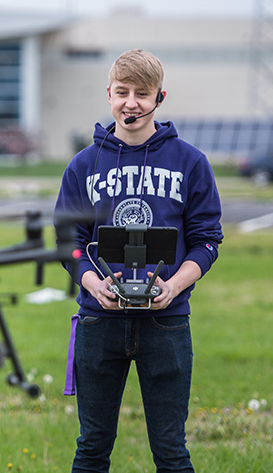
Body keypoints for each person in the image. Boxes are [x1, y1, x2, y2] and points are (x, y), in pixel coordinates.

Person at [54, 48, 223, 472]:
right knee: (92, 446)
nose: (131, 103)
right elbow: (68, 243)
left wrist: (174, 286)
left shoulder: (190, 162)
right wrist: (94, 284)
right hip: (98, 322)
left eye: (142, 94)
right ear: (108, 94)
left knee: (170, 449)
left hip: (166, 323)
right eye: (123, 92)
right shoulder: (82, 165)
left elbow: (207, 242)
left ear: (159, 98)